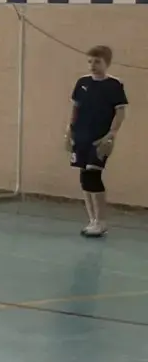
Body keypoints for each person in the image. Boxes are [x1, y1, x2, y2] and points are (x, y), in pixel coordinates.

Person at [66, 44, 128, 238]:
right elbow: (75, 109)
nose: (93, 65)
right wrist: (69, 131)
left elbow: (120, 112)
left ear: (106, 63)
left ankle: (101, 221)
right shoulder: (82, 83)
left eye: (97, 62)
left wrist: (111, 134)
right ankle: (92, 220)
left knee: (93, 175)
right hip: (81, 136)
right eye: (90, 61)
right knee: (84, 177)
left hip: (100, 139)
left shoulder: (114, 85)